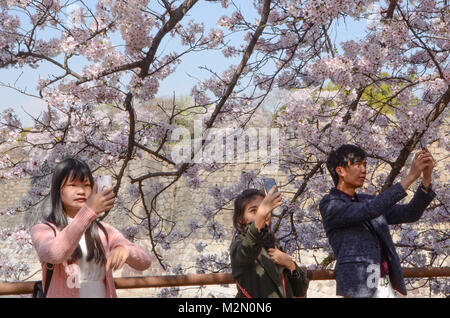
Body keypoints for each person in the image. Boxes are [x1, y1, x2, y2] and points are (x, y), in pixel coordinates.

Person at [319, 144, 436, 298]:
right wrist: (410, 177)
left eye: (365, 165)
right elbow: (370, 210)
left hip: (384, 283)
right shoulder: (330, 204)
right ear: (340, 170)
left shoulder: (368, 200)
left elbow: (410, 213)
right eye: (357, 165)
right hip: (358, 285)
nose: (363, 170)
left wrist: (425, 179)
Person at [31, 158, 151, 298]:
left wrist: (126, 250)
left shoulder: (105, 231)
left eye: (86, 185)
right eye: (73, 185)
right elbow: (55, 254)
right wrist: (89, 211)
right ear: (58, 189)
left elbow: (145, 262)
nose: (81, 191)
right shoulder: (44, 230)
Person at [230, 188, 310, 298]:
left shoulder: (273, 244)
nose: (264, 214)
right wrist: (261, 216)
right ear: (241, 219)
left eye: (265, 209)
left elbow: (300, 291)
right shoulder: (239, 245)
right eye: (254, 211)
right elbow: (249, 247)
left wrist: (290, 264)